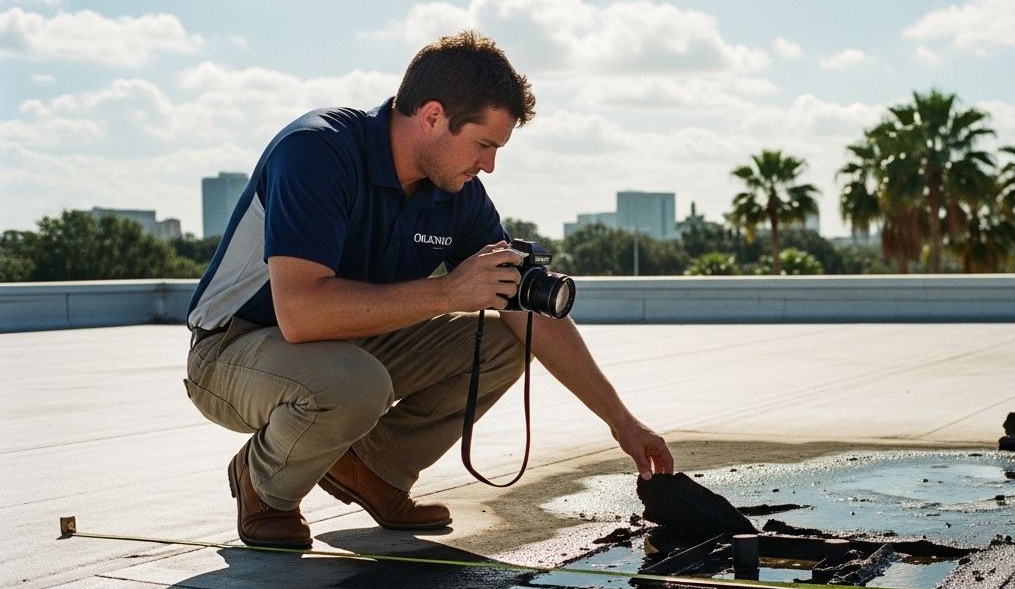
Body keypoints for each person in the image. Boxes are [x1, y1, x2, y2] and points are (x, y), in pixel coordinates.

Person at [184, 31, 673, 548]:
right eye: (484, 144)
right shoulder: (316, 151)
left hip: (347, 349)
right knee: (356, 384)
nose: (489, 165)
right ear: (434, 116)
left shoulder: (456, 193)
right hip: (231, 350)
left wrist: (624, 424)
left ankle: (373, 470)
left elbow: (528, 314)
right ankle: (264, 483)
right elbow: (301, 315)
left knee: (511, 336)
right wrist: (448, 293)